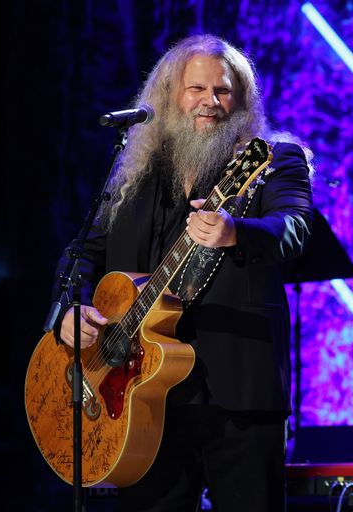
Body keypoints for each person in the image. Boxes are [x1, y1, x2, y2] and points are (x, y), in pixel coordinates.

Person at [53, 34, 313, 512]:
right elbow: (82, 251)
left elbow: (294, 228)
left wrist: (237, 231)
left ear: (241, 98)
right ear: (170, 93)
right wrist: (66, 311)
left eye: (223, 90)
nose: (209, 102)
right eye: (196, 89)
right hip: (137, 395)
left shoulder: (273, 158)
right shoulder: (137, 167)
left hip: (236, 389)